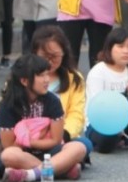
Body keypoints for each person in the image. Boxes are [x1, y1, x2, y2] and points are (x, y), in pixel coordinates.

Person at [0, 54, 87, 182]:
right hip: (22, 154)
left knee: (79, 147)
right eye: (41, 76)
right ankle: (61, 170)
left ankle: (30, 174)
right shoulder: (8, 104)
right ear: (24, 81)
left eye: (47, 75)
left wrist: (30, 141)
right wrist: (31, 141)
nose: (47, 80)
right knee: (8, 155)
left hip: (49, 151)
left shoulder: (52, 101)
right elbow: (9, 145)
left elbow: (56, 140)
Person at [85, 25, 128, 153]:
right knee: (107, 143)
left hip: (125, 121)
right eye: (121, 46)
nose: (126, 51)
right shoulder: (98, 71)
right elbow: (98, 108)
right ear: (109, 48)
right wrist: (125, 93)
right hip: (100, 123)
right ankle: (117, 139)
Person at [31, 25, 90, 155]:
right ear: (34, 53)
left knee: (84, 144)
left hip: (61, 138)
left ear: (64, 53)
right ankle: (62, 165)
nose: (50, 61)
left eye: (55, 56)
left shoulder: (74, 78)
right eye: (45, 56)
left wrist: (64, 135)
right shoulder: (23, 75)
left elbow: (76, 114)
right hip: (28, 137)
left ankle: (34, 167)